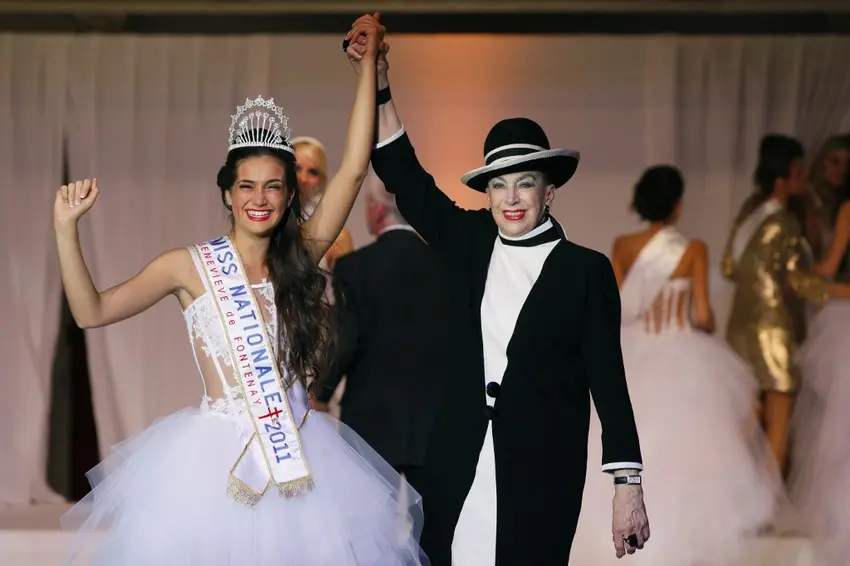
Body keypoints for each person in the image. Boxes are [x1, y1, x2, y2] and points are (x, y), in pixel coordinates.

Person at [55, 17, 426, 565]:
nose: (260, 198)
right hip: (212, 465)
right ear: (227, 195)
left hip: (301, 452)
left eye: (273, 186)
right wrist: (66, 229)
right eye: (246, 186)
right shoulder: (188, 266)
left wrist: (367, 69)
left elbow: (350, 169)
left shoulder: (301, 255)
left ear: (288, 193)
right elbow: (92, 312)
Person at [344, 14, 648, 566]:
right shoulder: (471, 241)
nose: (511, 198)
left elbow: (610, 383)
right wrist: (379, 76)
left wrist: (627, 485)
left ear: (549, 191)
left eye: (525, 183)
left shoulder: (585, 272)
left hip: (541, 469)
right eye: (499, 184)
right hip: (457, 457)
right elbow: (404, 176)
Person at [571, 165, 781, 566]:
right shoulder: (694, 250)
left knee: (623, 437)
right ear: (678, 204)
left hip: (634, 353)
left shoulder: (625, 245)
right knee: (689, 450)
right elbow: (703, 315)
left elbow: (613, 307)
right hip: (681, 356)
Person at [313, 170, 464, 493]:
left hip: (372, 423)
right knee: (434, 536)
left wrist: (321, 393)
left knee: (372, 531)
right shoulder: (450, 266)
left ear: (377, 209)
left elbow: (346, 342)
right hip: (436, 424)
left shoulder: (355, 267)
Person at [721, 134, 850, 477]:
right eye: (799, 172)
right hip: (774, 327)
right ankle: (767, 504)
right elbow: (799, 281)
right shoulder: (785, 223)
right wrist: (837, 291)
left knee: (748, 417)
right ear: (785, 178)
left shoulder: (749, 218)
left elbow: (729, 268)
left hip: (740, 325)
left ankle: (729, 488)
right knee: (779, 421)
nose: (804, 178)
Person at [293, 135, 355, 271]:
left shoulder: (338, 237)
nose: (303, 178)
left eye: (313, 172)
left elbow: (345, 289)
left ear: (322, 179)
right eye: (296, 168)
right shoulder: (266, 225)